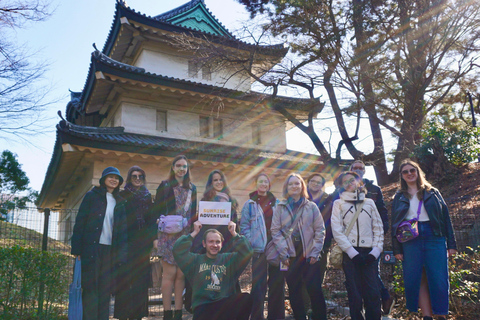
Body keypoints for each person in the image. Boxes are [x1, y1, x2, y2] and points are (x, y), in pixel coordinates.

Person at [391, 160, 457, 320]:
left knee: (438, 277)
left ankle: (440, 315)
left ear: (418, 171)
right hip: (410, 238)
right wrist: (397, 249)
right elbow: (394, 224)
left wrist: (451, 244)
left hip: (434, 236)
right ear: (402, 176)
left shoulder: (433, 192)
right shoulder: (399, 196)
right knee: (416, 277)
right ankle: (426, 316)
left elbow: (445, 218)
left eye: (412, 170)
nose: (409, 173)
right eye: (405, 172)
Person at [71, 166, 128, 320]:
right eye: (111, 177)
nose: (114, 180)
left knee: (105, 289)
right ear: (103, 179)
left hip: (110, 251)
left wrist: (121, 256)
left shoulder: (121, 202)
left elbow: (123, 231)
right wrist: (77, 249)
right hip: (91, 249)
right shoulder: (91, 196)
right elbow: (80, 222)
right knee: (90, 288)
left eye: (117, 178)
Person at [271, 173, 326, 320]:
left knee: (314, 290)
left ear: (302, 186)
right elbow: (275, 231)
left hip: (309, 255)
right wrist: (283, 253)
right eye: (291, 184)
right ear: (286, 188)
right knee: (294, 291)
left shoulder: (311, 207)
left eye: (297, 183)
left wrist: (315, 252)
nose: (294, 186)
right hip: (289, 255)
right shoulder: (280, 207)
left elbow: (320, 230)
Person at [172, 220, 253, 320]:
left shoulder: (229, 260)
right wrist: (194, 233)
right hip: (203, 308)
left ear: (221, 244)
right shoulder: (195, 261)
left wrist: (234, 234)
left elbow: (247, 252)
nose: (214, 245)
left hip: (223, 307)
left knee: (245, 298)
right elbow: (177, 250)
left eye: (217, 242)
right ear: (204, 244)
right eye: (210, 241)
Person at [331, 171, 384, 320]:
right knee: (354, 295)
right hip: (350, 254)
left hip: (370, 253)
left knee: (373, 294)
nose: (349, 183)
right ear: (341, 185)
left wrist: (375, 251)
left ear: (358, 182)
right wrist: (351, 252)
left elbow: (378, 228)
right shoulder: (338, 204)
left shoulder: (370, 202)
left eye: (352, 180)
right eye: (345, 181)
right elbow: (337, 230)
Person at [153, 155, 197, 320]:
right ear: (172, 167)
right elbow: (155, 210)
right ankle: (167, 313)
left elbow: (193, 213)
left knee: (181, 275)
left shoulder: (192, 188)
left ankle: (178, 313)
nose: (181, 169)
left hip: (185, 234)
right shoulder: (164, 186)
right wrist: (154, 237)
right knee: (169, 274)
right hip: (167, 235)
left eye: (184, 166)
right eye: (178, 165)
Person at [349, 160, 394, 314]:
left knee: (372, 271)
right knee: (356, 279)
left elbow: (382, 210)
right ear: (350, 169)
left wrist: (383, 229)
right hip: (351, 240)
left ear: (365, 171)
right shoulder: (343, 187)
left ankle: (381, 299)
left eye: (361, 168)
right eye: (355, 167)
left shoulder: (374, 189)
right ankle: (383, 296)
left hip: (372, 238)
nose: (358, 170)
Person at [239, 173, 285, 320]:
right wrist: (251, 241)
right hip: (259, 248)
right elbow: (244, 226)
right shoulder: (250, 204)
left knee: (277, 285)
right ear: (256, 183)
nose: (263, 184)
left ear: (269, 184)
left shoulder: (277, 203)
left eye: (266, 182)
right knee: (258, 286)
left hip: (276, 247)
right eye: (260, 181)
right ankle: (257, 317)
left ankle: (276, 317)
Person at [114, 166, 155, 320]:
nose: (137, 179)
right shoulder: (122, 195)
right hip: (126, 242)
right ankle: (123, 315)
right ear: (129, 178)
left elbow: (151, 220)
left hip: (142, 244)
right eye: (134, 176)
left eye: (140, 176)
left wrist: (152, 240)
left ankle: (138, 315)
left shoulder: (147, 196)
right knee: (125, 280)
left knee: (141, 281)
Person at [192, 169, 238, 254]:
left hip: (226, 244)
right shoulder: (205, 200)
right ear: (211, 183)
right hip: (209, 245)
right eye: (215, 180)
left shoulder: (231, 201)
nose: (219, 182)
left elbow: (235, 223)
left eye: (221, 179)